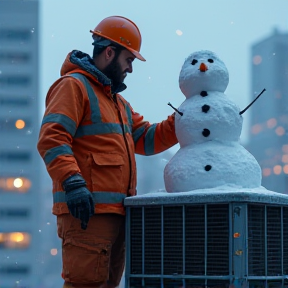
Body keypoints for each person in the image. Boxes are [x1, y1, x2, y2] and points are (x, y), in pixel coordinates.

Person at [37, 15, 178, 288]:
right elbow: (52, 138)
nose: (131, 69)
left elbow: (148, 139)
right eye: (129, 60)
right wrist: (73, 183)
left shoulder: (117, 103)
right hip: (86, 215)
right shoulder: (74, 86)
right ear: (110, 52)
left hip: (114, 215)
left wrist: (184, 118)